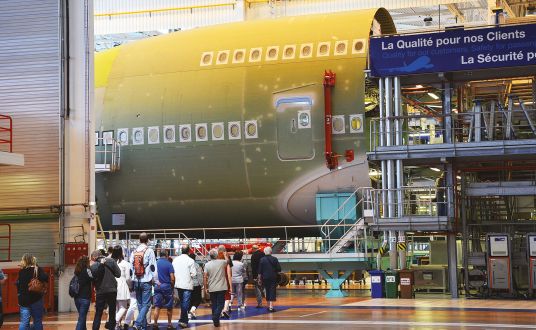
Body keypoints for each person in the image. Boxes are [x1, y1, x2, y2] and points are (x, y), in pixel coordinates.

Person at [130, 232, 157, 330]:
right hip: (146, 281)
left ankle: (143, 327)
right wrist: (155, 280)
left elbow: (131, 267)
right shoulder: (149, 251)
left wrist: (132, 281)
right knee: (147, 304)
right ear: (147, 240)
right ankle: (137, 323)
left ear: (139, 240)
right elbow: (153, 267)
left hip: (136, 280)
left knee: (140, 304)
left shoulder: (134, 251)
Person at [90, 249, 121, 330]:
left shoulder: (93, 266)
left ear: (94, 257)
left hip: (100, 291)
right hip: (112, 290)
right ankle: (111, 328)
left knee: (98, 313)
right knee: (112, 311)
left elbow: (92, 279)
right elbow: (118, 274)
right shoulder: (111, 261)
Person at [17, 253, 48, 330]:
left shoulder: (21, 272)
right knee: (37, 320)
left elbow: (18, 285)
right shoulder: (37, 269)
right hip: (36, 299)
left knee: (24, 322)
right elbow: (45, 278)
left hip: (23, 300)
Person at [204, 249, 230, 327]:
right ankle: (215, 317)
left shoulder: (207, 265)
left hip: (212, 287)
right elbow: (228, 261)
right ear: (217, 255)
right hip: (221, 287)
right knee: (221, 304)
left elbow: (205, 277)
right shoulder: (221, 262)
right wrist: (225, 255)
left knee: (214, 304)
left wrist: (205, 287)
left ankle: (216, 321)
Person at [172, 245, 196, 328]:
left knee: (183, 302)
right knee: (185, 303)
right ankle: (184, 321)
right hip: (187, 284)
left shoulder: (175, 260)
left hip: (178, 284)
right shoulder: (191, 260)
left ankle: (182, 319)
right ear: (189, 251)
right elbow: (194, 274)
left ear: (181, 250)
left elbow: (173, 271)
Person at [153, 250, 175, 330]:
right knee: (169, 306)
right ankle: (169, 324)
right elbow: (172, 278)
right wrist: (172, 286)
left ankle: (155, 324)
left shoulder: (155, 263)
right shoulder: (169, 264)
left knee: (157, 306)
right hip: (167, 286)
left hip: (157, 286)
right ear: (167, 255)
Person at [113, 246, 132, 329]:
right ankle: (115, 322)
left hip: (113, 286)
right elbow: (128, 278)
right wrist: (130, 286)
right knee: (123, 307)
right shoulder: (125, 263)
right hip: (122, 286)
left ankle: (116, 326)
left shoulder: (112, 262)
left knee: (116, 307)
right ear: (121, 253)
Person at [257, 247, 281, 312]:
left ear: (264, 252)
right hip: (273, 277)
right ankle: (271, 306)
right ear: (271, 252)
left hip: (265, 277)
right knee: (272, 290)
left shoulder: (262, 259)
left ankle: (268, 305)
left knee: (267, 290)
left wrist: (259, 279)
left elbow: (259, 271)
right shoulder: (275, 259)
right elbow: (279, 269)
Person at [73, 256, 92, 330]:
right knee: (81, 318)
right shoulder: (87, 270)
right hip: (85, 298)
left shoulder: (77, 271)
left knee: (82, 317)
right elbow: (92, 278)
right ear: (86, 262)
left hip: (77, 298)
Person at [217, 246, 233, 318]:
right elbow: (229, 275)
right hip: (225, 280)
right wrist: (231, 287)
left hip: (218, 281)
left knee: (219, 297)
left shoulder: (216, 261)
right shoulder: (226, 262)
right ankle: (225, 310)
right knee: (227, 296)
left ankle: (220, 311)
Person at [188, 253, 203, 320]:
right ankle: (192, 310)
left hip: (188, 285)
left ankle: (189, 314)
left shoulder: (186, 265)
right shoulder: (197, 265)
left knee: (190, 300)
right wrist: (201, 284)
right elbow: (199, 276)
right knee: (198, 299)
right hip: (196, 285)